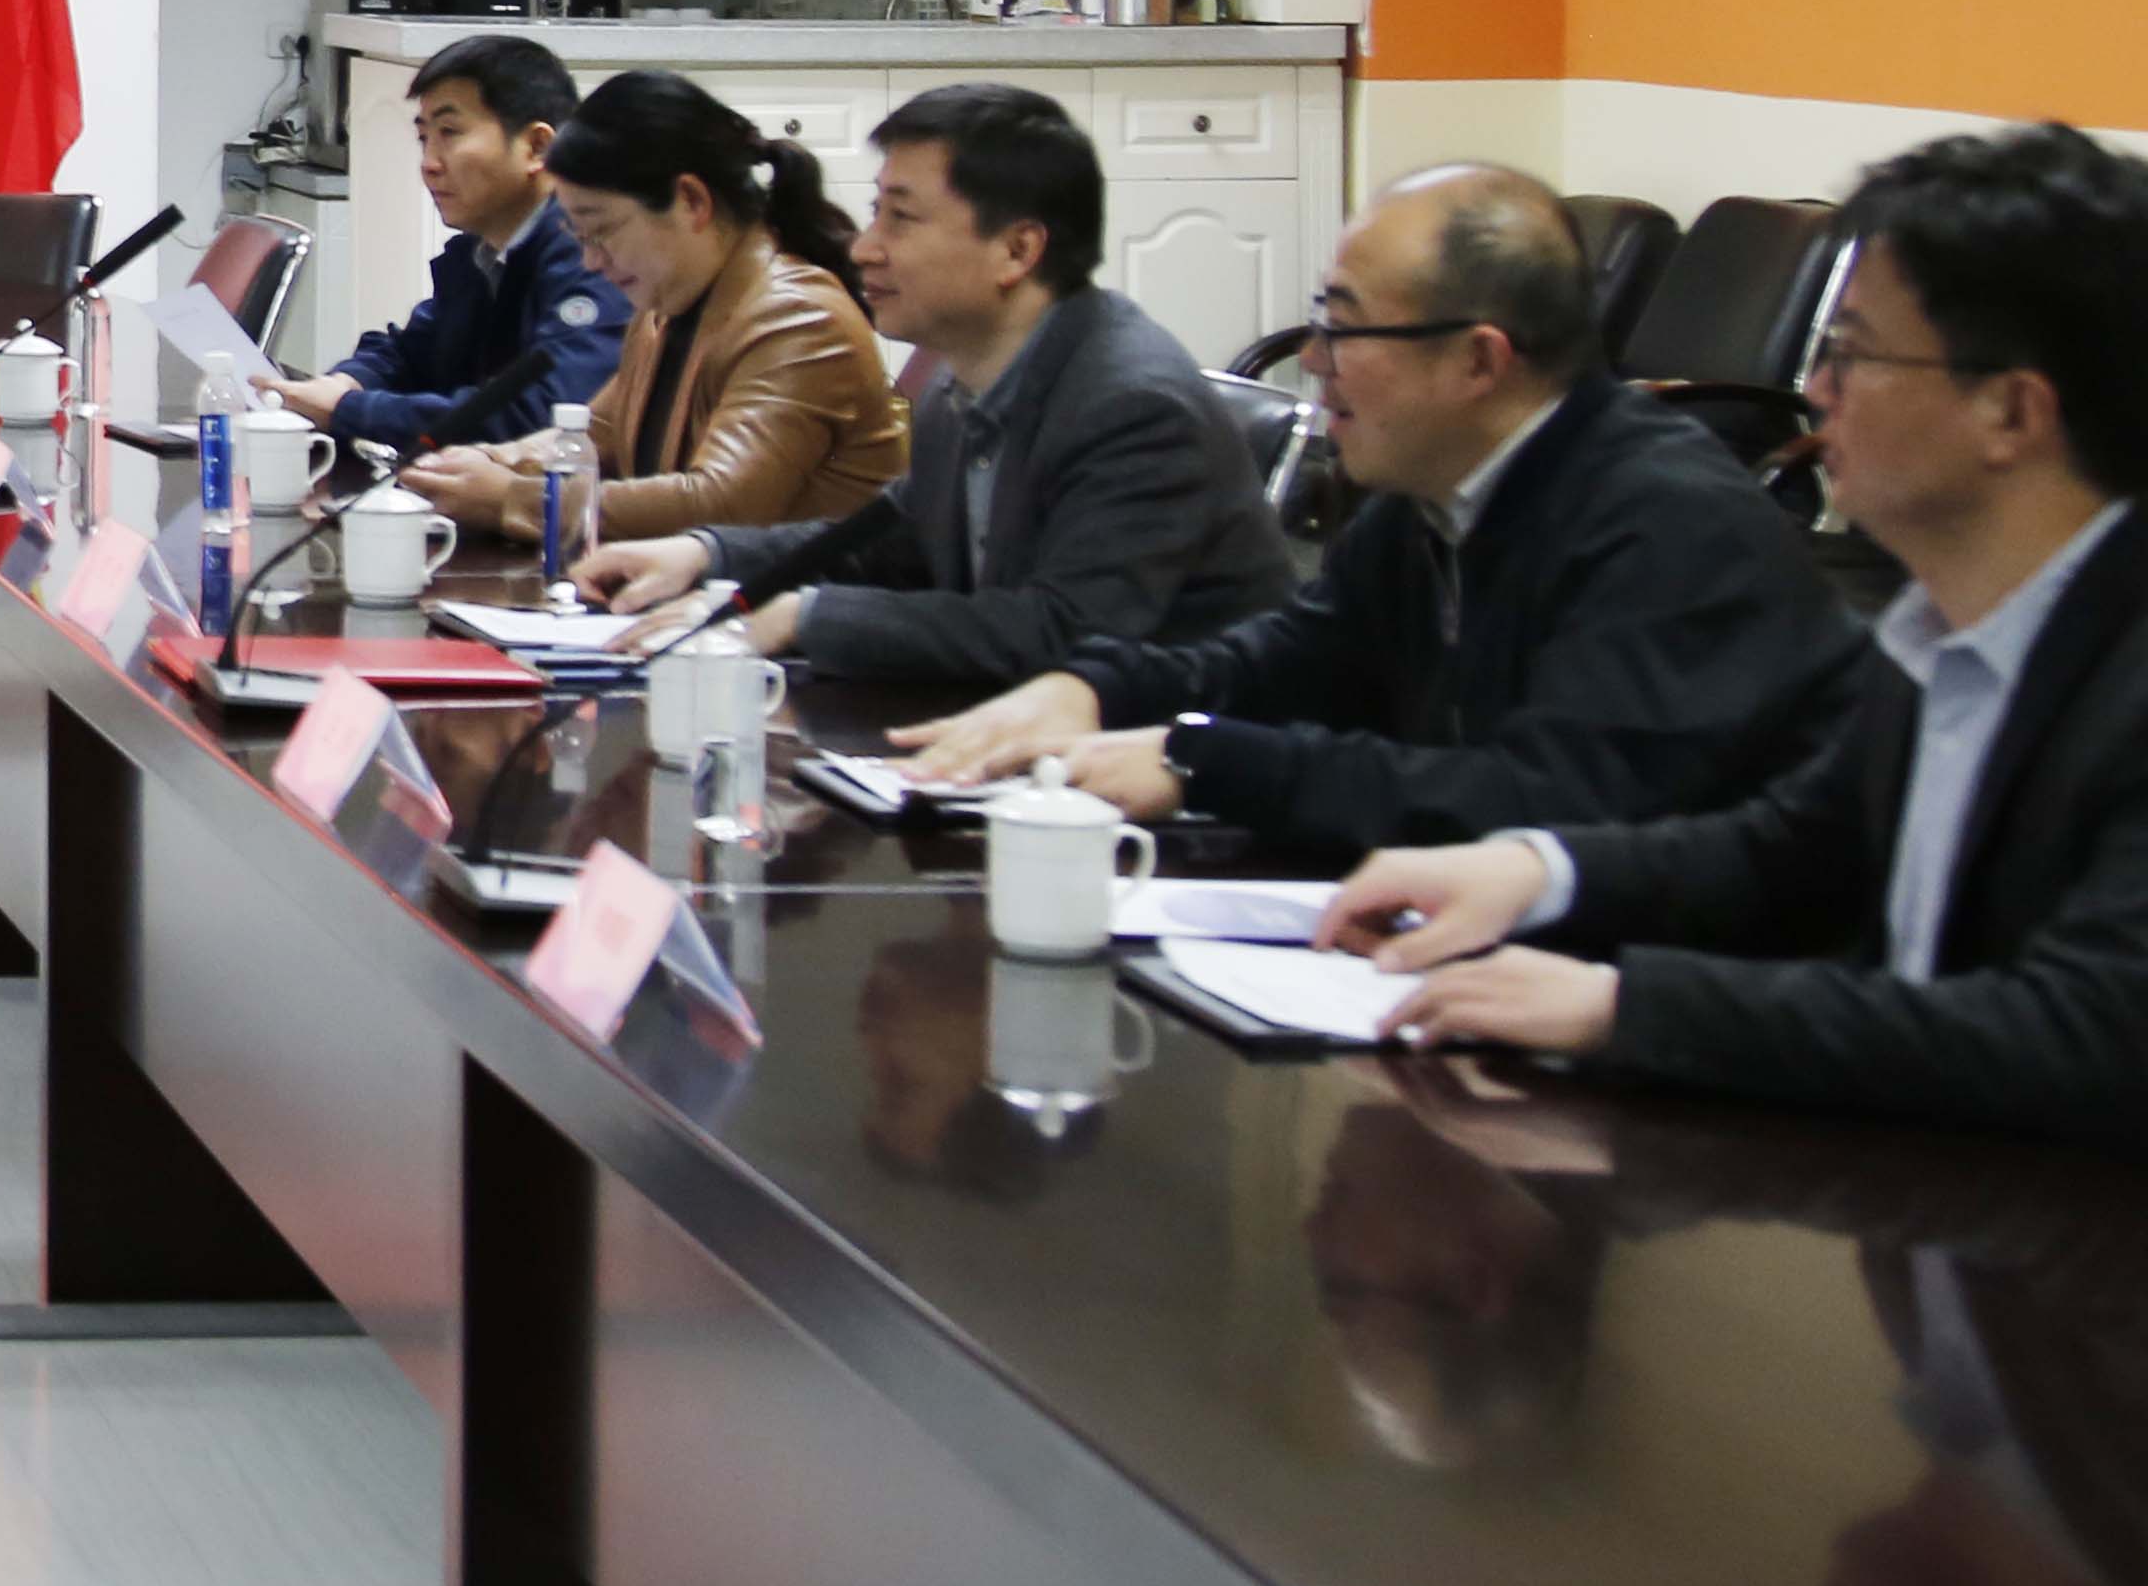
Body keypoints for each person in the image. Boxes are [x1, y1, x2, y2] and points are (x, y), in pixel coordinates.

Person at [1314, 123, 2148, 1146]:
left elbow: (2084, 1036)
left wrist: (1626, 1008)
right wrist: (1536, 873)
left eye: (1851, 354)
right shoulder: (1941, 628)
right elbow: (1795, 850)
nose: (1817, 393)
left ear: (2011, 413)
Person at [894, 162, 1872, 858]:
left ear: (1479, 359)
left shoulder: (1663, 523)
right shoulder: (1432, 493)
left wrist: (1208, 762)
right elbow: (1287, 662)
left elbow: (1551, 806)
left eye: (1344, 328)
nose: (1315, 362)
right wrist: (1092, 691)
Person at [574, 81, 1288, 685]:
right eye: (876, 212)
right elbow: (892, 544)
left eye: (902, 217)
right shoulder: (964, 379)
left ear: (1017, 249)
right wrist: (706, 554)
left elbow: (1066, 633)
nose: (864, 247)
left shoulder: (1130, 405)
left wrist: (807, 617)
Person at [405, 66, 902, 547]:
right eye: (580, 237)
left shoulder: (796, 317)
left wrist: (511, 498)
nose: (591, 261)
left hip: (796, 599)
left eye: (603, 231)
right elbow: (595, 435)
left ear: (691, 201)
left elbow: (722, 502)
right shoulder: (666, 304)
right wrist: (486, 464)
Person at [284, 33, 622, 454]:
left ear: (537, 147)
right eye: (424, 138)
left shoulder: (593, 257)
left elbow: (541, 414)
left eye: (450, 132)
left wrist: (349, 410)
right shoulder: (480, 252)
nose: (429, 164)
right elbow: (413, 352)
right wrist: (346, 383)